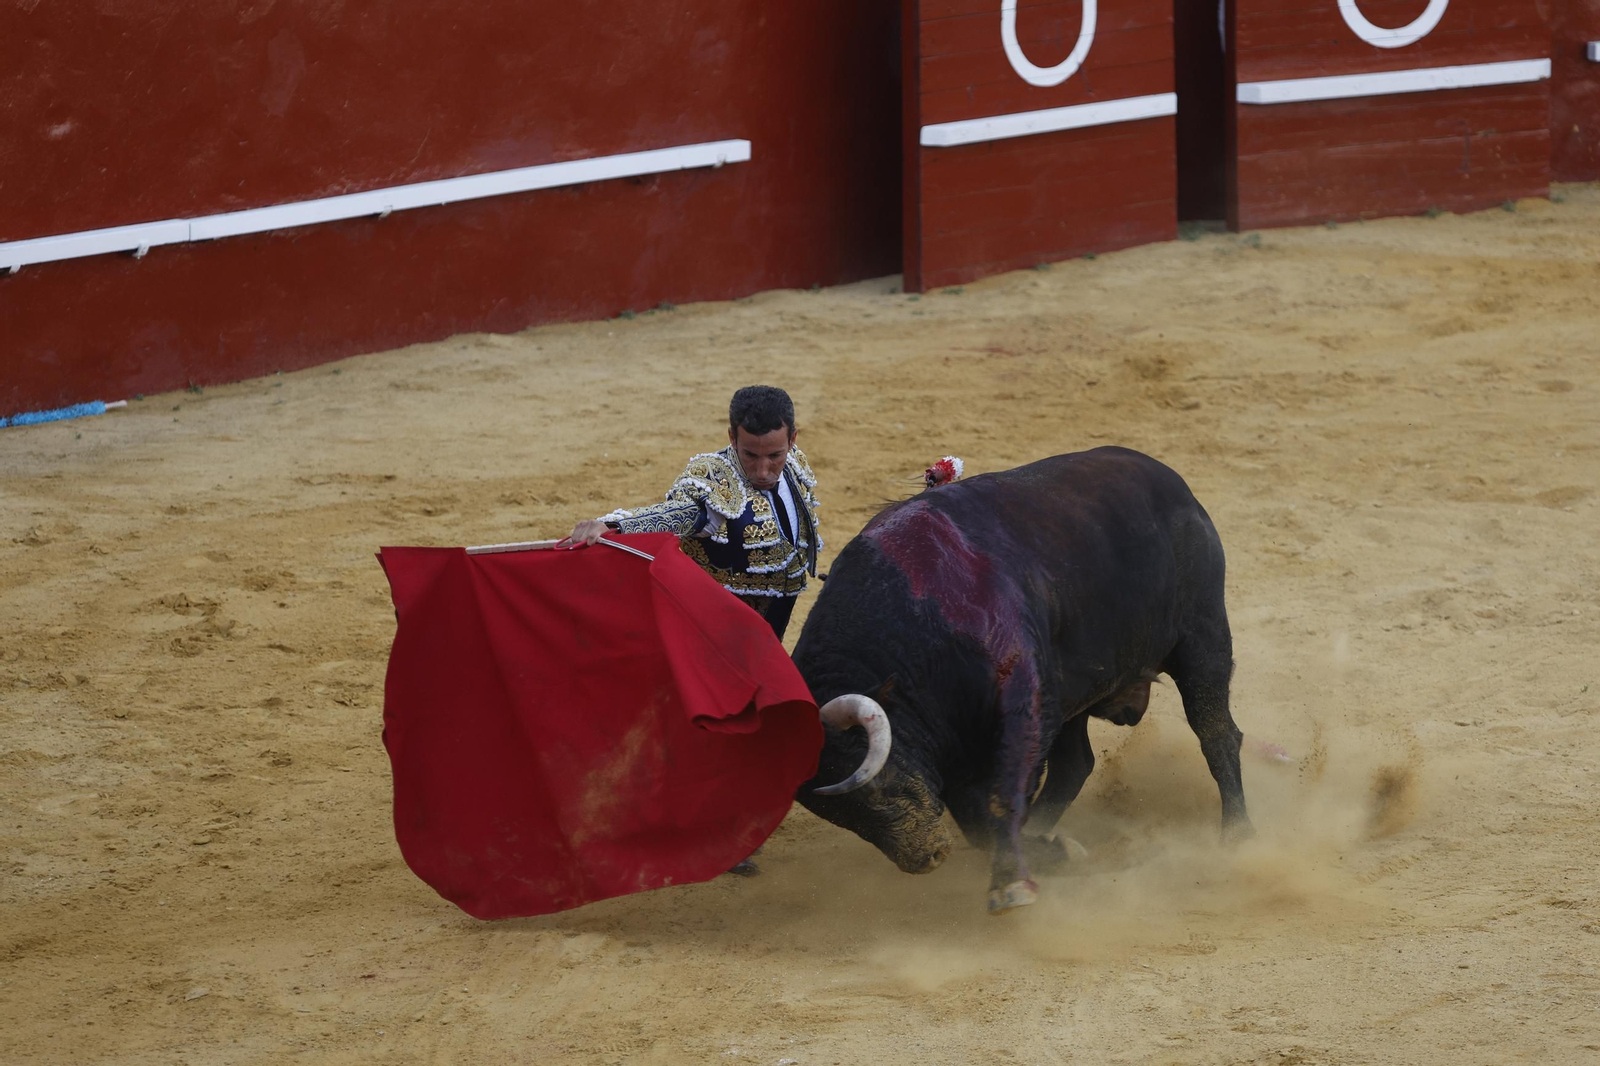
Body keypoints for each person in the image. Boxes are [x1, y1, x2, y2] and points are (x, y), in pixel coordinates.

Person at [569, 385, 821, 643]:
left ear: (792, 440)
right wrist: (614, 524)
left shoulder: (794, 466)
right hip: (715, 638)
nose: (763, 470)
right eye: (750, 455)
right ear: (732, 438)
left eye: (775, 455)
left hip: (771, 632)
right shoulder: (713, 481)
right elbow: (678, 514)